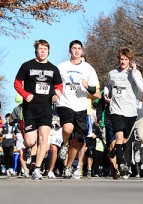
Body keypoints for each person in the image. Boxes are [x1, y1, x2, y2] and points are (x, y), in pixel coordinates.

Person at [14, 39, 63, 180]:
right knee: (30, 141)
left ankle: (37, 168)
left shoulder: (53, 69)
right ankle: (29, 150)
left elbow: (59, 86)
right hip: (30, 108)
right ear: (36, 50)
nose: (42, 51)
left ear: (48, 51)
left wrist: (57, 94)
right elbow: (17, 83)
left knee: (44, 139)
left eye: (45, 49)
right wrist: (25, 94)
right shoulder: (27, 65)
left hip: (46, 108)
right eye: (40, 48)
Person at [56, 40, 101, 179]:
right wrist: (55, 94)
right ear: (70, 50)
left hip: (81, 107)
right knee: (68, 128)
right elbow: (54, 85)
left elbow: (97, 93)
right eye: (74, 48)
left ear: (82, 51)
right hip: (64, 103)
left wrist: (88, 87)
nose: (76, 51)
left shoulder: (88, 68)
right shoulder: (61, 67)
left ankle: (68, 167)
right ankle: (64, 144)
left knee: (77, 142)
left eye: (79, 48)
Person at [103, 47, 143, 178]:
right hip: (116, 110)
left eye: (126, 59)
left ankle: (115, 151)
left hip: (131, 111)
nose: (123, 62)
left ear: (130, 60)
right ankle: (121, 165)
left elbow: (142, 87)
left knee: (124, 139)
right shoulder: (112, 73)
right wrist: (106, 92)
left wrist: (135, 73)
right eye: (121, 59)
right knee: (119, 137)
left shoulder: (134, 74)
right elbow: (108, 85)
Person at [9, 93, 30, 177]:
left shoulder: (18, 109)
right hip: (20, 132)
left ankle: (27, 168)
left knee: (25, 152)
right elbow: (11, 121)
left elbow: (11, 121)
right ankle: (25, 170)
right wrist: (17, 121)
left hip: (29, 132)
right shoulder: (17, 109)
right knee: (22, 152)